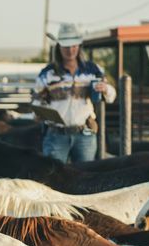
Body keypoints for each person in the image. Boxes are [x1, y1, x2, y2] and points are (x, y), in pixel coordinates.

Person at [34, 22, 116, 162]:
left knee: (85, 177)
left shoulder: (93, 70)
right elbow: (36, 102)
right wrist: (40, 111)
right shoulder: (47, 74)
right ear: (59, 46)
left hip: (85, 133)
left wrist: (106, 89)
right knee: (53, 178)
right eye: (66, 46)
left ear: (78, 46)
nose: (70, 50)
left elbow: (111, 96)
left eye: (73, 46)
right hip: (56, 133)